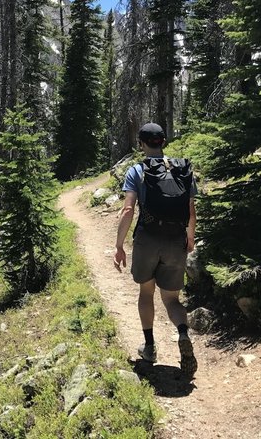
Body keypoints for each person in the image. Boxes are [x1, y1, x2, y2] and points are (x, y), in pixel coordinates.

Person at [113, 122, 198, 377]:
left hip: (148, 239)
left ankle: (149, 347)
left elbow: (128, 210)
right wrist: (189, 238)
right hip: (176, 240)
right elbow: (191, 209)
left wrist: (119, 245)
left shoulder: (137, 171)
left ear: (141, 144)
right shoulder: (182, 170)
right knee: (171, 299)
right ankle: (182, 332)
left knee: (146, 291)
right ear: (163, 142)